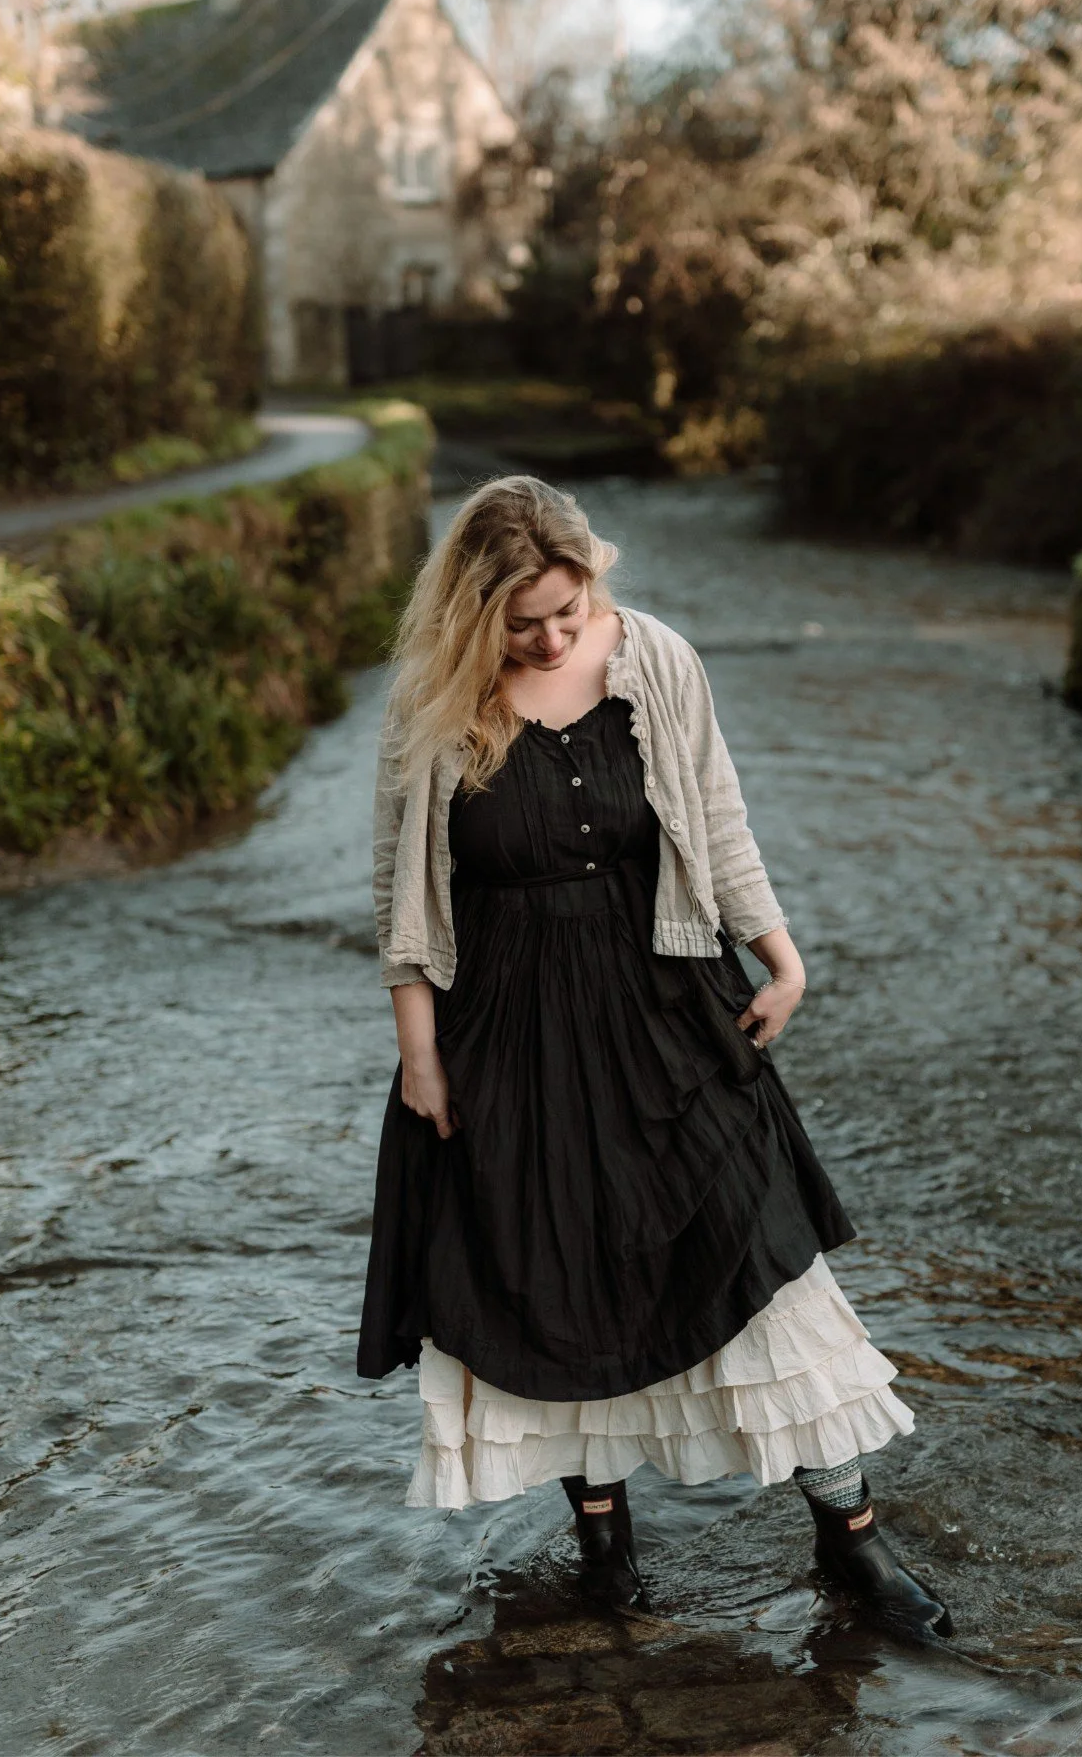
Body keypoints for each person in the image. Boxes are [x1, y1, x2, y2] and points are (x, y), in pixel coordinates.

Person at [357, 476, 951, 1640]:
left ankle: (854, 1547)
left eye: (568, 609)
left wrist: (782, 959)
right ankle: (605, 1550)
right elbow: (403, 893)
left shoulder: (660, 661)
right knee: (557, 1279)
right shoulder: (433, 703)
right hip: (511, 1030)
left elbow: (717, 817)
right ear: (475, 608)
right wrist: (419, 1053)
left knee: (766, 1257)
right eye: (524, 621)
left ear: (594, 580)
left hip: (669, 1003)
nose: (551, 636)